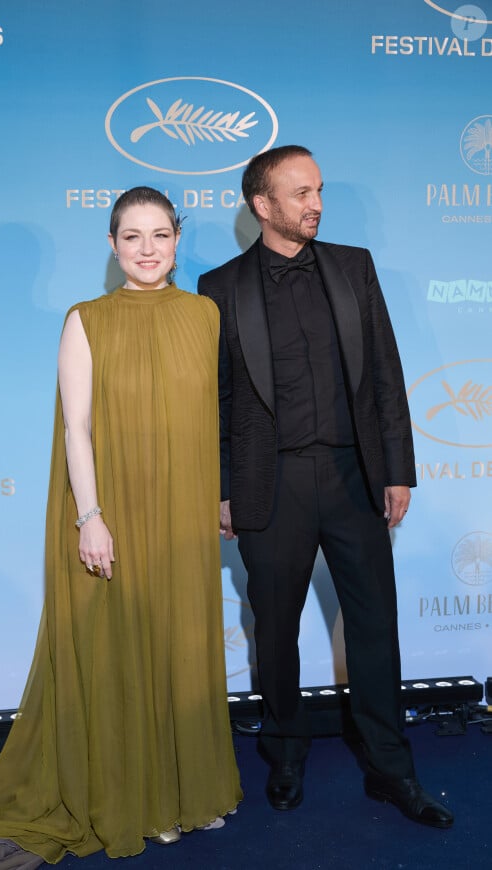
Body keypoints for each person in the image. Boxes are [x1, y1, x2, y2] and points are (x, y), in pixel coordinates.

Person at [0, 187, 241, 867]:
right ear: (112, 245)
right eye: (131, 237)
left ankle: (190, 792)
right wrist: (90, 517)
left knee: (182, 650)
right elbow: (78, 428)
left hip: (183, 511)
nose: (147, 250)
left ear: (177, 239)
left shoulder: (205, 314)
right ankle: (138, 802)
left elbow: (217, 419)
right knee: (119, 651)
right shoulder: (85, 319)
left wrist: (220, 497)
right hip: (112, 510)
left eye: (159, 235)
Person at [197, 146, 453, 829]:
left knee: (374, 627)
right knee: (275, 632)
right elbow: (215, 402)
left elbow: (386, 376)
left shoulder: (352, 267)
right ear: (262, 205)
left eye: (318, 190)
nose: (315, 203)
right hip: (269, 484)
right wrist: (222, 487)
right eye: (300, 192)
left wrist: (397, 467)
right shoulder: (219, 286)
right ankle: (284, 754)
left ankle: (392, 769)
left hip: (351, 476)